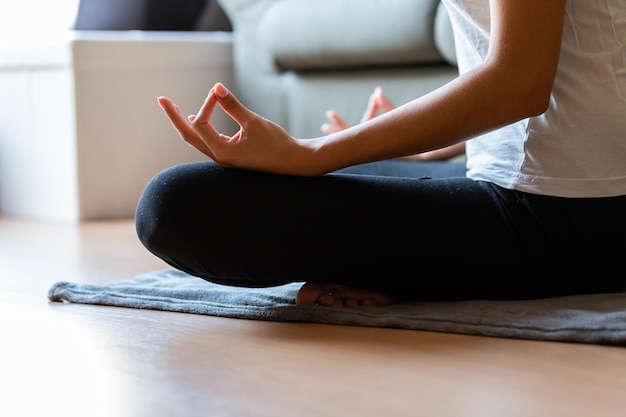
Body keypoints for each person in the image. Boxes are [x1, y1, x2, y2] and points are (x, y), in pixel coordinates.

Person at [135, 0, 626, 308]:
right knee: (293, 182)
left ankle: (414, 269)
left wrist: (315, 153)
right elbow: (575, 88)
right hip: (507, 181)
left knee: (179, 204)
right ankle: (411, 259)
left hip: (577, 214)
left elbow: (520, 84)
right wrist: (430, 149)